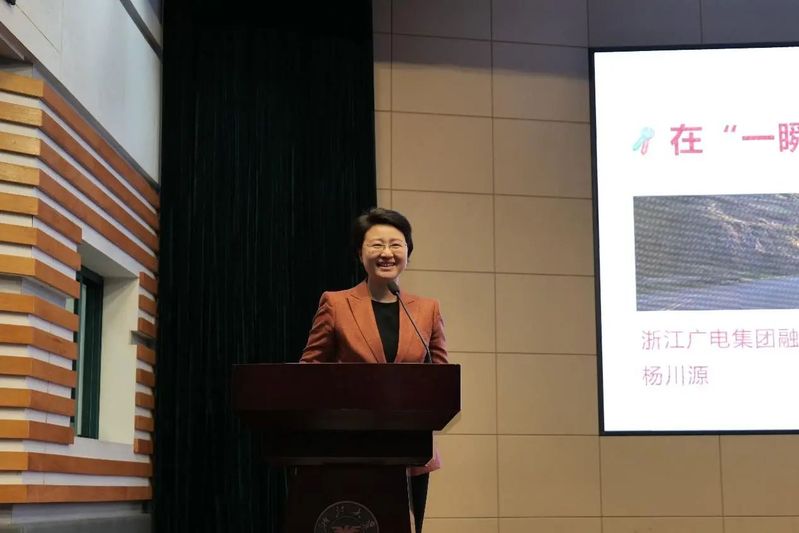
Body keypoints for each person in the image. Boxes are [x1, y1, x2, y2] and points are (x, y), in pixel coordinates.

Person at [301, 207, 448, 532]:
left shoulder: (427, 310)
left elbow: (441, 379)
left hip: (411, 449)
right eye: (376, 244)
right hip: (350, 448)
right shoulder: (336, 304)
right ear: (360, 253)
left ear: (408, 252)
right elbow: (308, 372)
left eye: (396, 245)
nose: (387, 253)